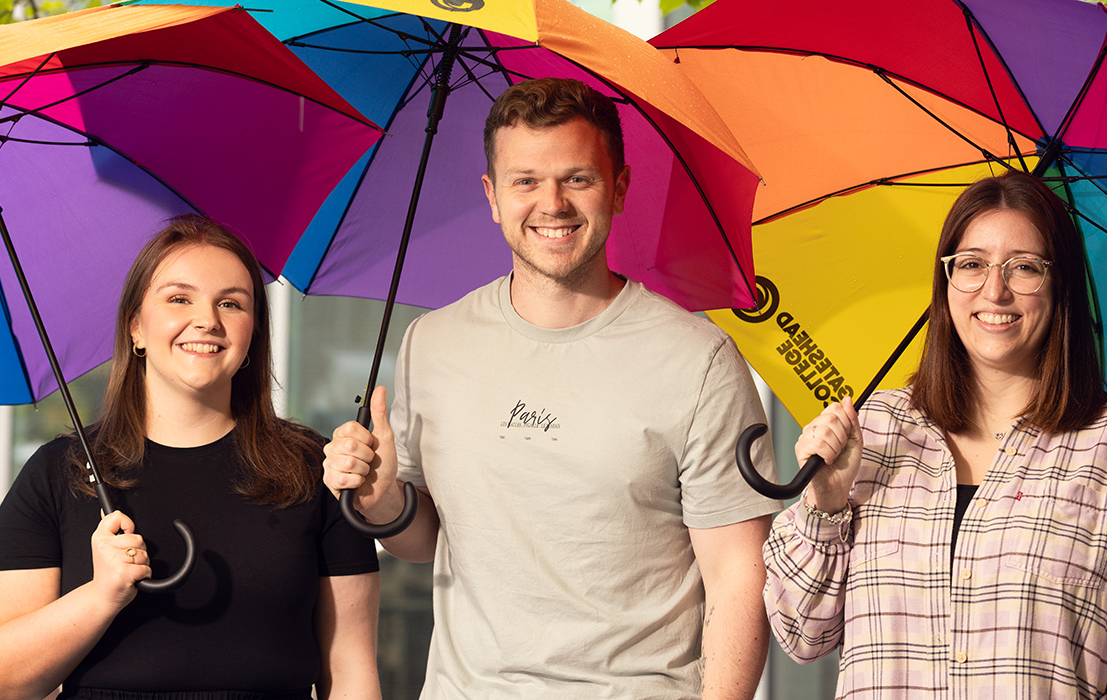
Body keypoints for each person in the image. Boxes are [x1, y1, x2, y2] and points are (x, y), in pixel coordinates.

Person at [322, 77, 781, 699]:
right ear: (492, 195)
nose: (553, 203)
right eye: (526, 181)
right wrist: (381, 503)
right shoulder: (432, 343)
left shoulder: (698, 361)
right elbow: (427, 538)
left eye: (578, 178)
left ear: (618, 188)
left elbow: (738, 574)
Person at [764, 169, 1107, 697]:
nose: (994, 290)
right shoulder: (876, 430)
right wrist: (826, 507)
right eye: (971, 264)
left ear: (1059, 283)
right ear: (945, 280)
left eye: (1024, 268)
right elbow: (801, 635)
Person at [0, 216, 382, 700]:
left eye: (231, 303)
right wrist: (100, 596)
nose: (208, 319)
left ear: (253, 334)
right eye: (179, 298)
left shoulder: (316, 469)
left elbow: (351, 670)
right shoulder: (57, 473)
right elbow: (0, 684)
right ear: (136, 328)